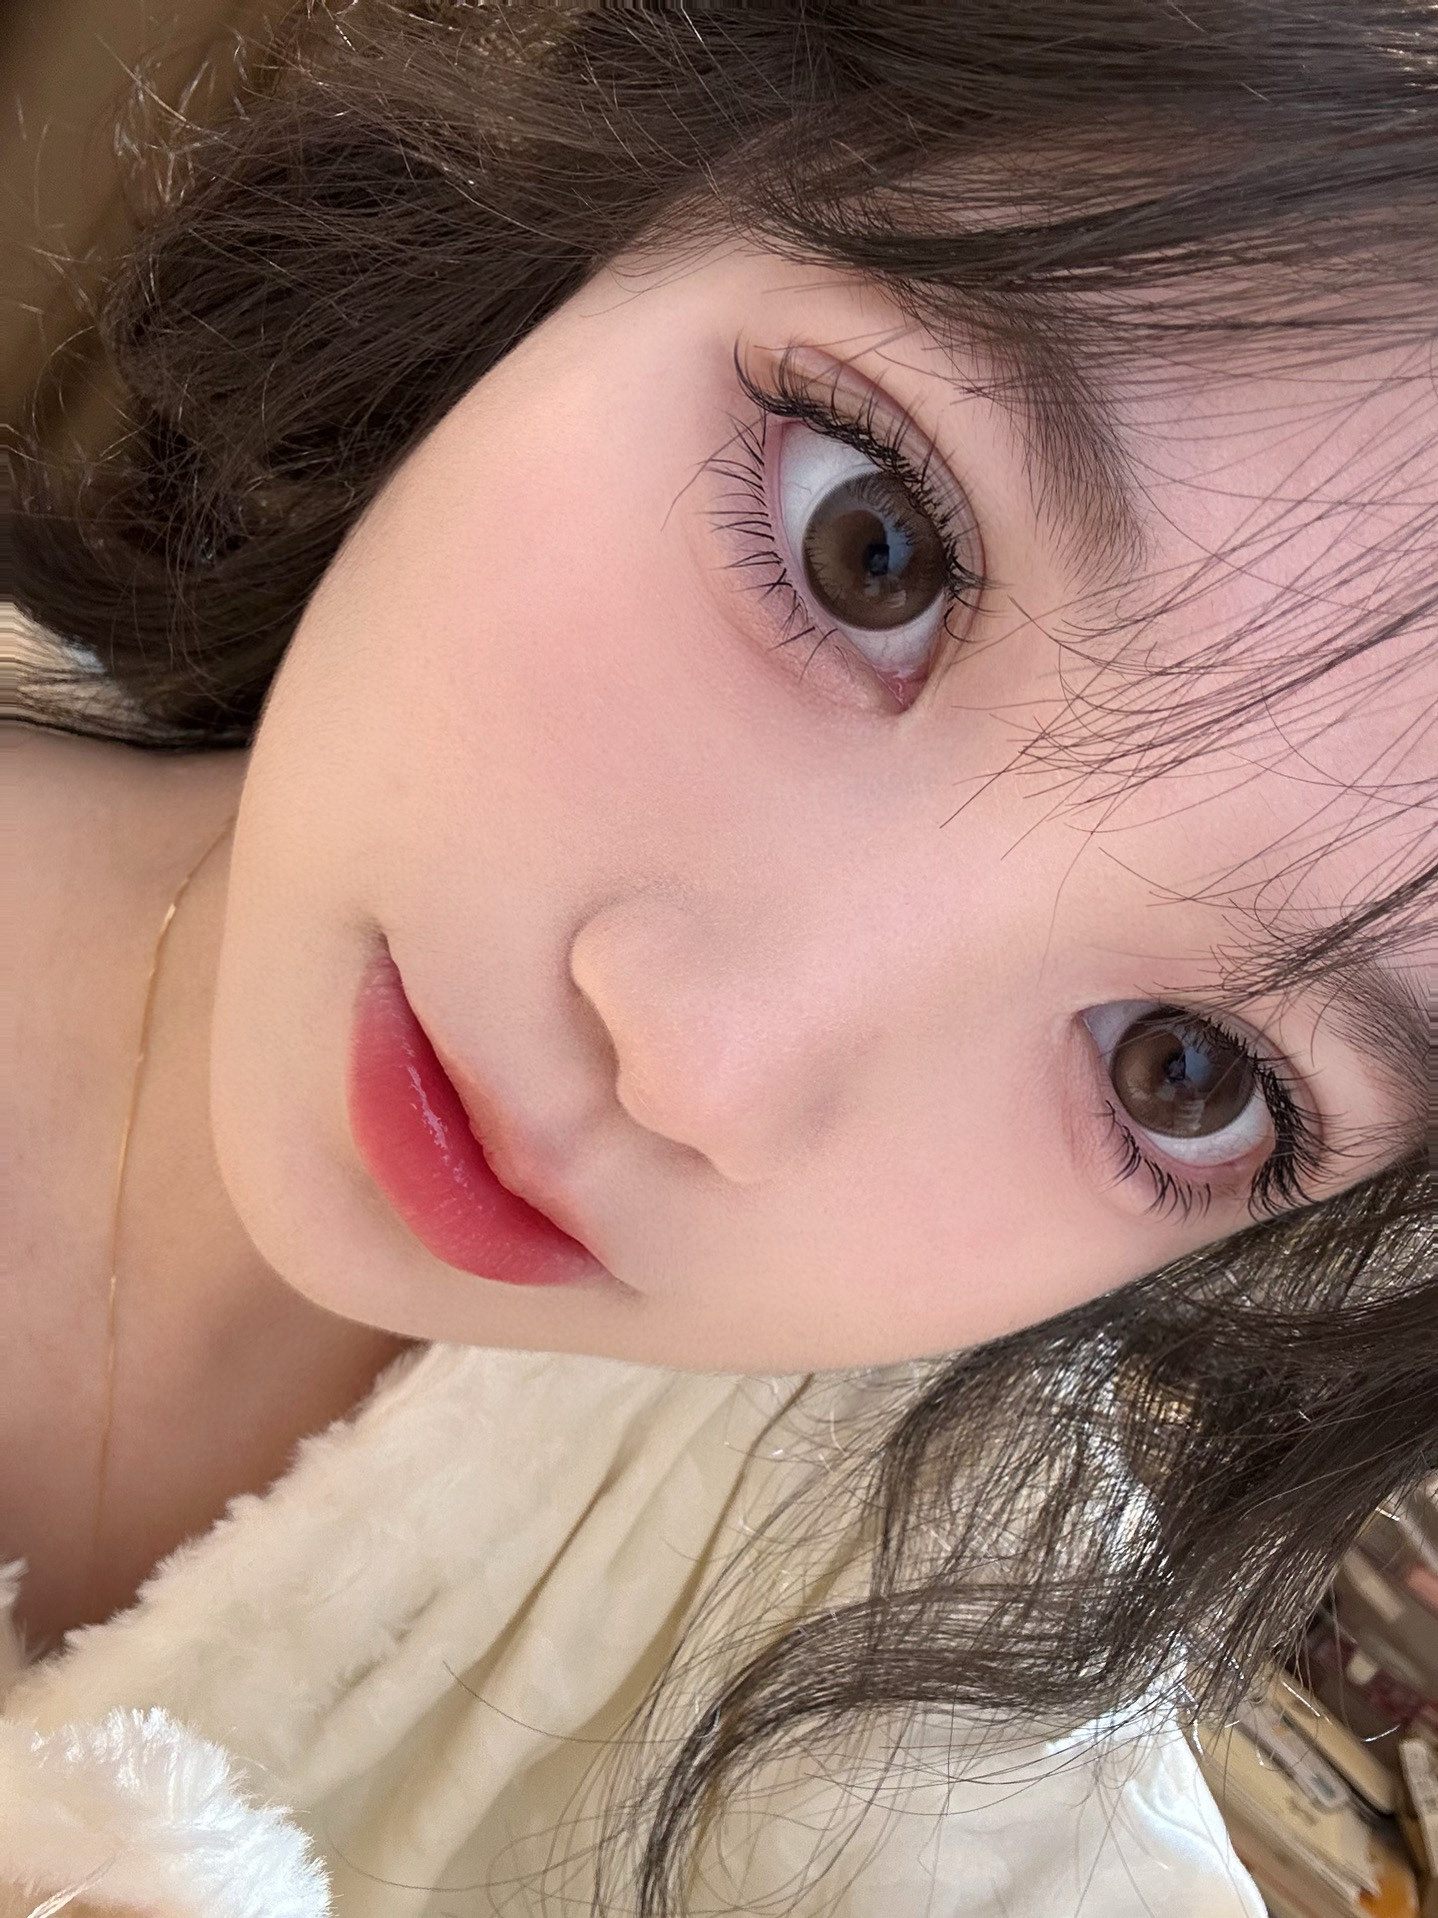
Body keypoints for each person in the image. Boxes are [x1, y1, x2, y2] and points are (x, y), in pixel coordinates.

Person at [2, 1, 1433, 1911]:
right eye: (874, 545)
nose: (696, 1067)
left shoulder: (915, 1749)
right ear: (651, 162)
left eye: (1181, 1071)